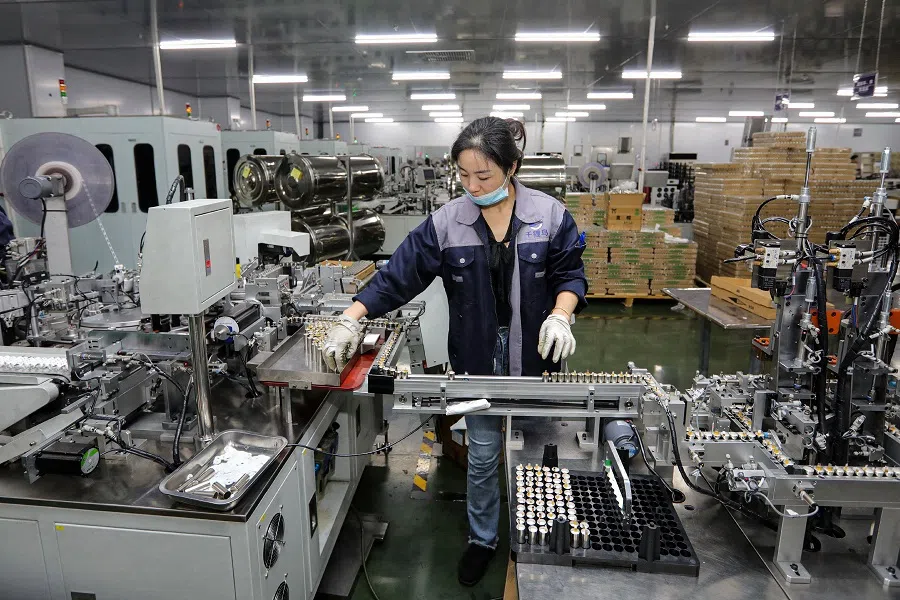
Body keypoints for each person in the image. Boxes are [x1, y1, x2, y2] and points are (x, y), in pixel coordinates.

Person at [323, 116, 587, 586]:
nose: (471, 186)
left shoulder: (549, 215)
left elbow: (570, 274)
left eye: (482, 176)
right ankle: (483, 539)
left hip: (538, 356)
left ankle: (541, 537)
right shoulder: (447, 222)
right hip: (475, 361)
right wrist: (351, 317)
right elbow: (398, 276)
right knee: (482, 454)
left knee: (539, 451)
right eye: (463, 176)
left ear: (512, 167)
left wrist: (562, 314)